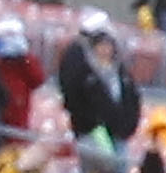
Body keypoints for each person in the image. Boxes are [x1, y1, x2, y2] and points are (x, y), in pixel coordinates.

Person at [58, 12, 141, 153]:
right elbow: (73, 95)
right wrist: (93, 122)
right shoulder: (78, 59)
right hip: (92, 132)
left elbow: (131, 96)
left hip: (118, 131)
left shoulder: (117, 68)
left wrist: (128, 124)